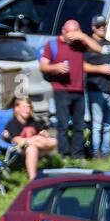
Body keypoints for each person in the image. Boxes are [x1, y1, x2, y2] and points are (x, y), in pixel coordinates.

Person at [38, 20, 100, 161]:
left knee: (79, 125)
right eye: (72, 33)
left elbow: (98, 49)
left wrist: (83, 36)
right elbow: (43, 66)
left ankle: (78, 155)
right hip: (61, 89)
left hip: (78, 90)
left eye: (76, 32)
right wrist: (55, 67)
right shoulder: (52, 44)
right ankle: (64, 154)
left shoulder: (80, 43)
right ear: (64, 31)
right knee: (63, 124)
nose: (74, 36)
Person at [0, 95, 57, 180]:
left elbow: (40, 133)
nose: (26, 110)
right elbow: (16, 139)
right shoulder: (13, 123)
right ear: (17, 109)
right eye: (23, 107)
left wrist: (43, 134)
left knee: (54, 141)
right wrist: (35, 139)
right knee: (32, 149)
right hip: (21, 148)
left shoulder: (33, 121)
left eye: (28, 107)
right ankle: (32, 179)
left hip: (39, 145)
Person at [83, 15, 110, 158]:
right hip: (95, 88)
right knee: (96, 124)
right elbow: (82, 65)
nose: (102, 28)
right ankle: (96, 151)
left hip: (109, 88)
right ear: (93, 28)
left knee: (108, 124)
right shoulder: (88, 45)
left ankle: (106, 151)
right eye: (99, 26)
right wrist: (100, 69)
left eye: (104, 26)